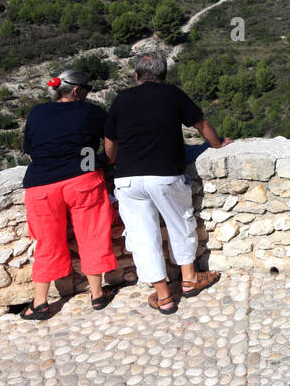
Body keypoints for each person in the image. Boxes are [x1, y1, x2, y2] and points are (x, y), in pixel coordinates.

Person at [104, 51, 231, 314]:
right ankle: (189, 279)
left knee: (141, 237)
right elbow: (201, 124)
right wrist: (218, 144)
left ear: (136, 75)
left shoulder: (121, 99)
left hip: (128, 179)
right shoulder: (173, 94)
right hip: (165, 175)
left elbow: (110, 143)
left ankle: (163, 296)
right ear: (163, 74)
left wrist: (114, 163)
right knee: (180, 223)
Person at [19, 68, 118, 319]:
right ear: (77, 91)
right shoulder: (92, 112)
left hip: (41, 185)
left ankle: (40, 302)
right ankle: (97, 294)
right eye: (86, 90)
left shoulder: (37, 112)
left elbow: (30, 151)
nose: (87, 94)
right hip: (82, 179)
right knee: (92, 234)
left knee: (46, 242)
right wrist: (105, 159)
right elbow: (111, 142)